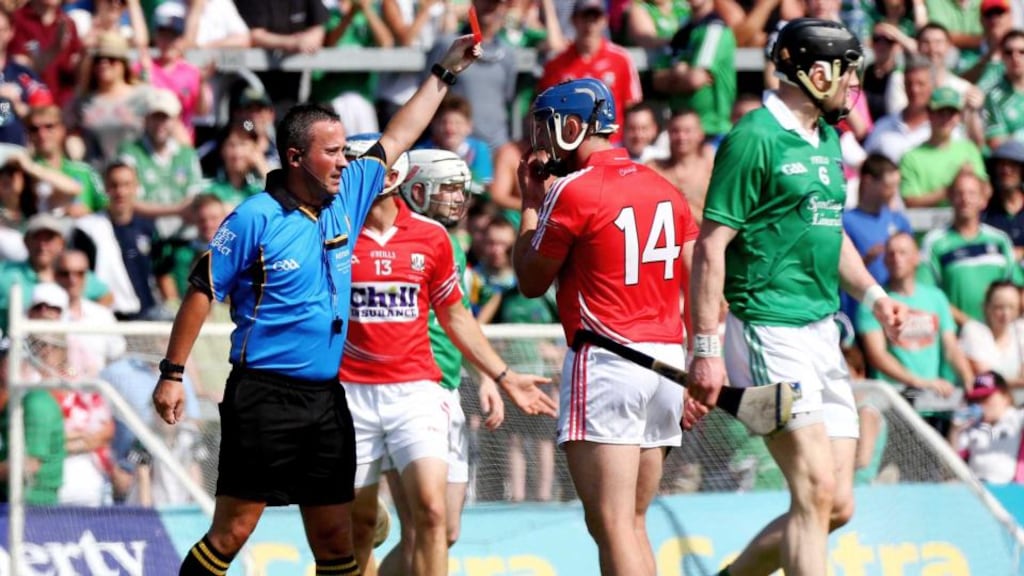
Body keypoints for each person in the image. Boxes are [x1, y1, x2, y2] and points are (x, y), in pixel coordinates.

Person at [150, 34, 483, 576]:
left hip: (329, 401)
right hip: (262, 396)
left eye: (346, 150)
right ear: (295, 157)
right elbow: (200, 291)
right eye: (332, 152)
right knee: (232, 531)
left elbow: (401, 132)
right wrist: (171, 373)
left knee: (337, 540)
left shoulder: (349, 192)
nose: (344, 161)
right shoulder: (254, 217)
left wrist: (445, 71)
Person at [685, 19, 907, 576]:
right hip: (766, 330)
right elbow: (710, 248)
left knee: (836, 504)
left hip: (821, 333)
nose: (853, 84)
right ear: (814, 72)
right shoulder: (753, 137)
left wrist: (876, 296)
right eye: (847, 72)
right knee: (811, 489)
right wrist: (707, 346)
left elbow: (827, 233)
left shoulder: (828, 137)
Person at [338, 142, 554, 576]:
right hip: (351, 392)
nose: (350, 178)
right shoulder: (332, 232)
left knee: (436, 519)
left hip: (423, 390)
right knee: (362, 528)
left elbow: (456, 316)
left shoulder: (434, 238)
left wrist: (499, 375)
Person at [514, 77, 699, 576]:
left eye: (548, 128)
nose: (542, 142)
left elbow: (531, 280)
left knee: (613, 524)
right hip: (667, 362)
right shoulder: (666, 188)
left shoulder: (573, 191)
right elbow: (699, 281)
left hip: (607, 361)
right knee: (633, 522)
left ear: (575, 127)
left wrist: (529, 204)